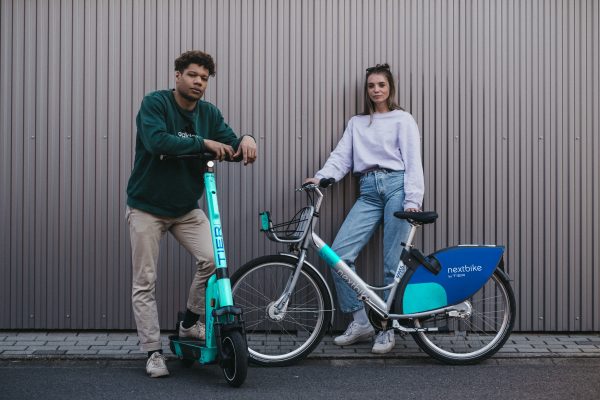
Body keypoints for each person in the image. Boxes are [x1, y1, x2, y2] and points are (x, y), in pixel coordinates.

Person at [125, 50, 257, 378]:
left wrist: (247, 139)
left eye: (204, 78)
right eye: (192, 75)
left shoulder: (209, 113)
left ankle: (189, 323)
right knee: (145, 280)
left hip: (185, 209)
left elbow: (230, 142)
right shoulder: (155, 104)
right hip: (146, 207)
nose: (198, 82)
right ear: (177, 76)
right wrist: (204, 144)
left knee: (213, 261)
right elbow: (158, 142)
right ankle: (153, 351)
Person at [305, 63, 424, 354]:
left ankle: (387, 328)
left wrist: (413, 200)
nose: (376, 90)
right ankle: (360, 321)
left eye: (381, 85)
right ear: (366, 89)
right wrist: (321, 177)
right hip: (368, 189)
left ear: (390, 87)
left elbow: (412, 160)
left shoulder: (403, 119)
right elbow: (341, 157)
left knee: (391, 263)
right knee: (340, 254)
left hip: (397, 186)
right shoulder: (357, 123)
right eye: (371, 86)